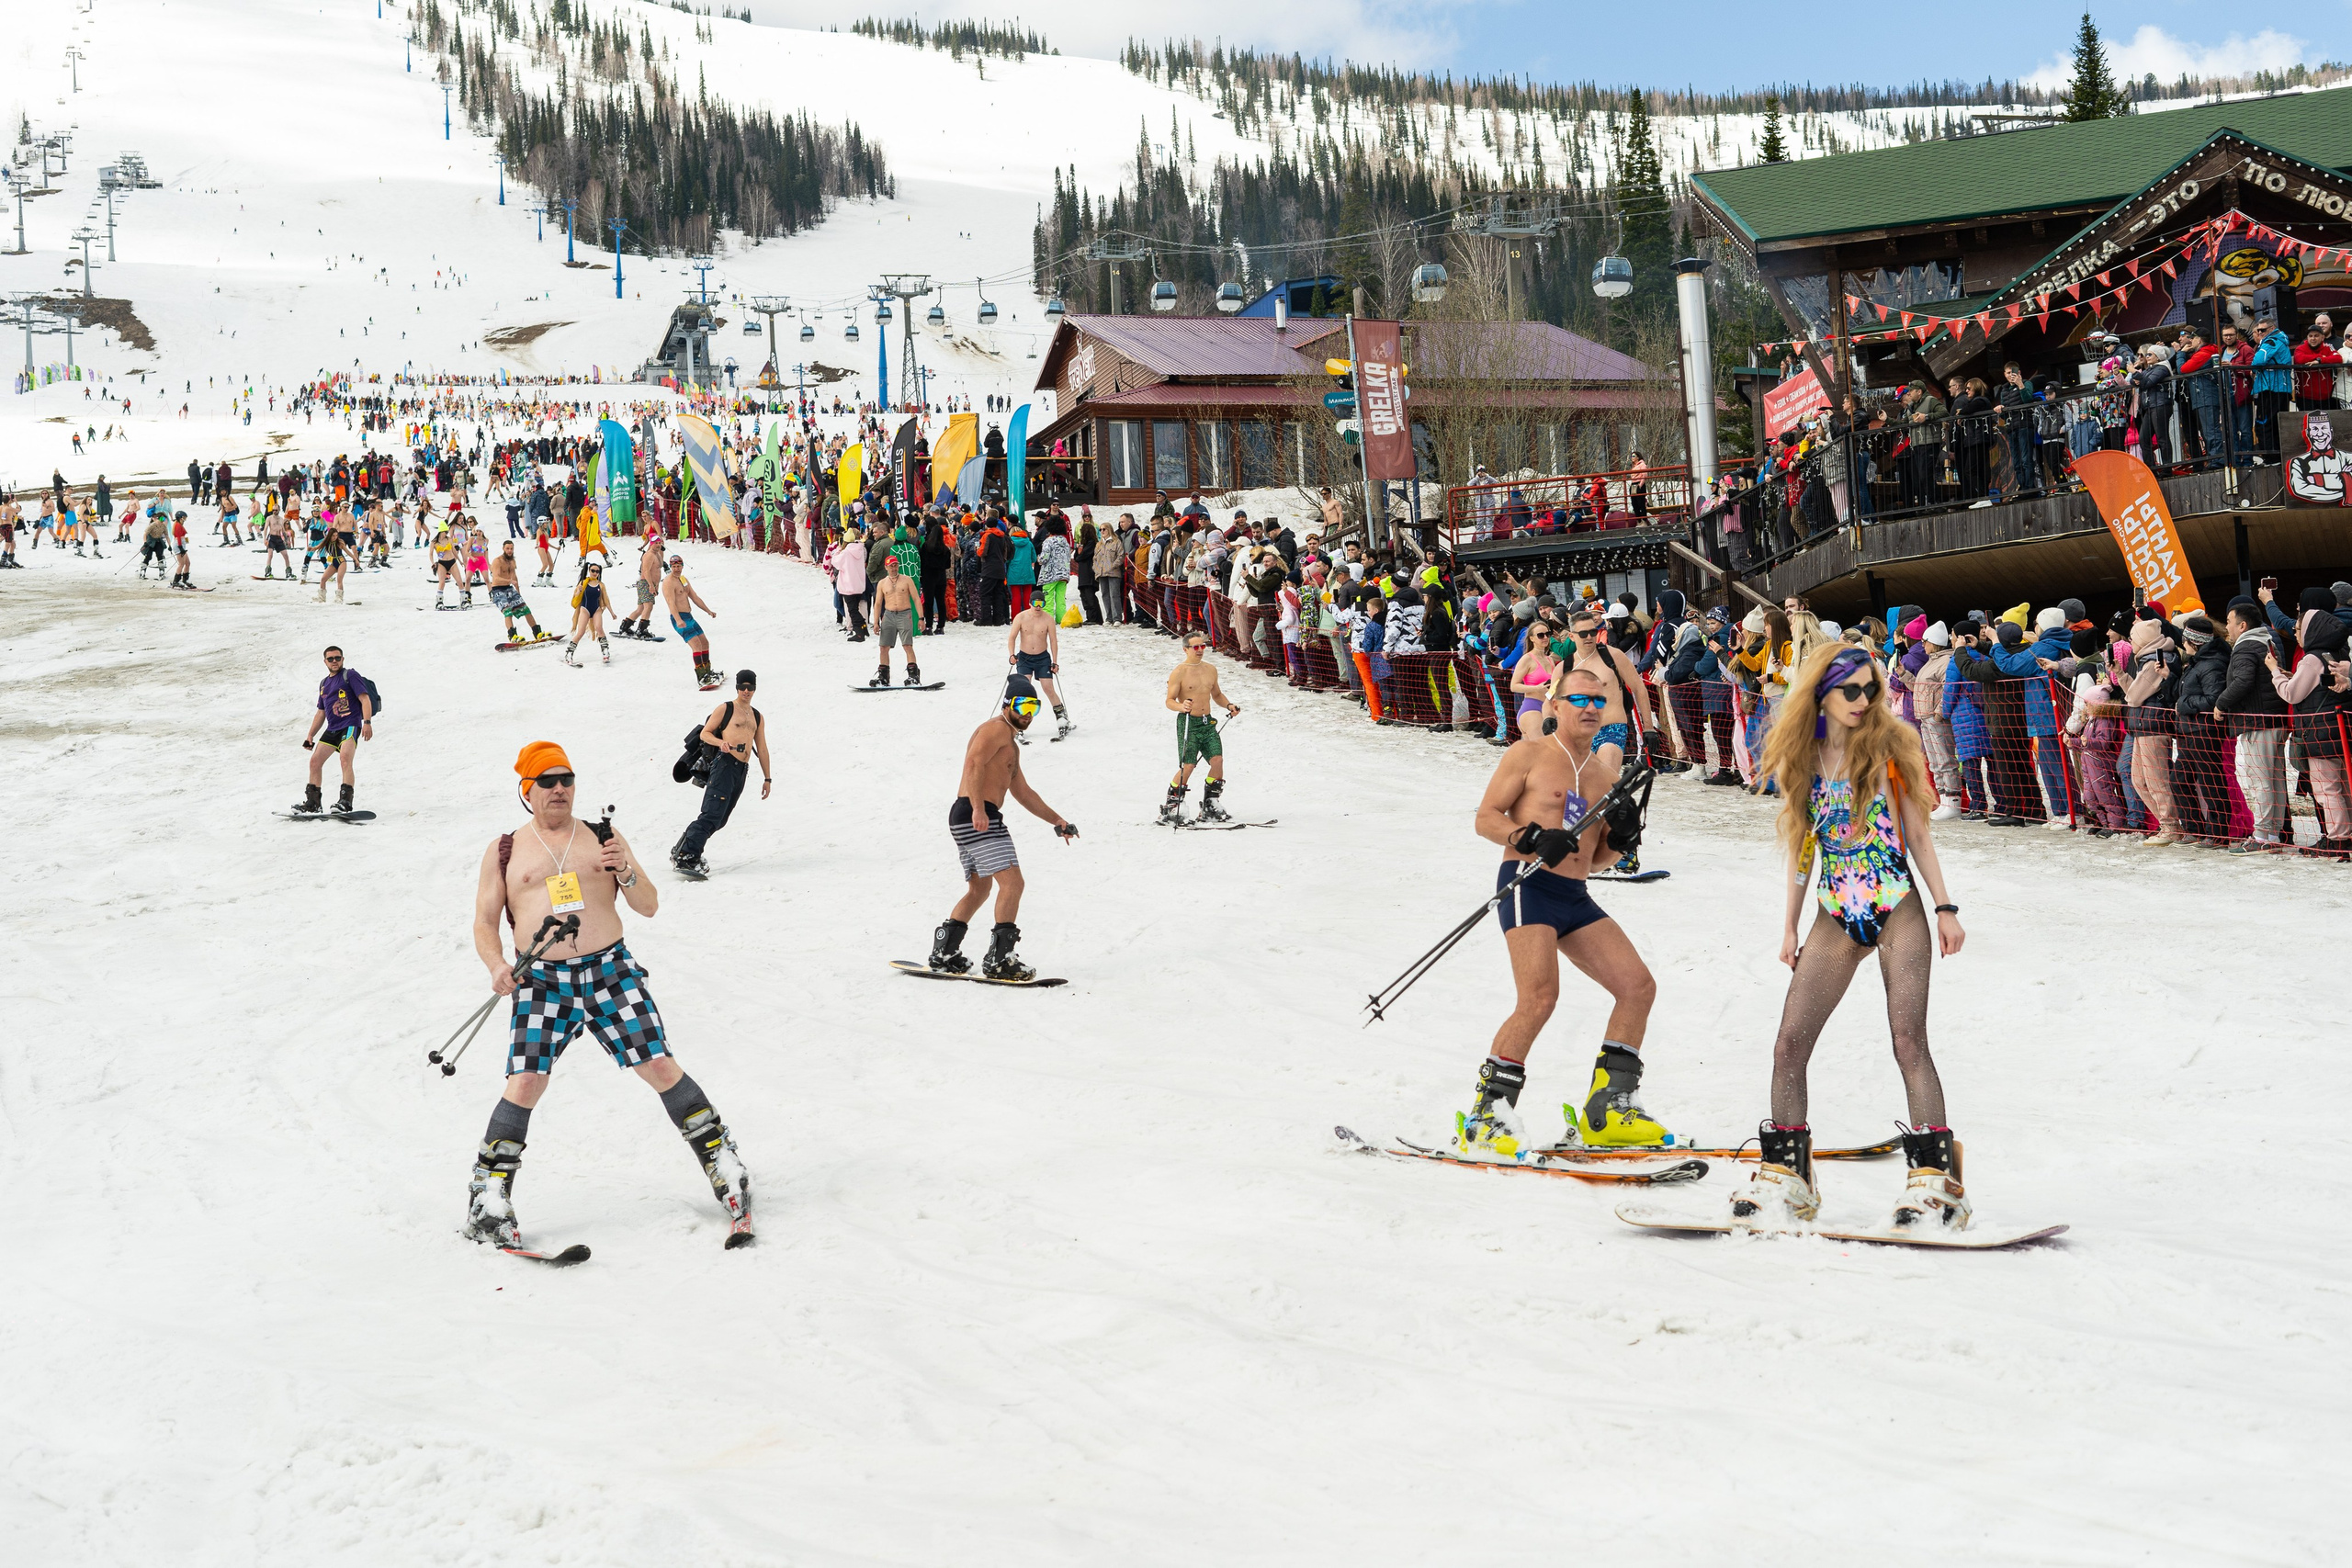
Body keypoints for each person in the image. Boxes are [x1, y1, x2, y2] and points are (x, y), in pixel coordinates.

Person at [468, 742, 752, 1250]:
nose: (560, 789)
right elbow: (485, 922)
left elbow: (648, 905)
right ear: (527, 790)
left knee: (659, 1065)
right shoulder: (505, 849)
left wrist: (625, 871)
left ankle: (724, 1165)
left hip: (609, 971)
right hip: (543, 980)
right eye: (548, 781)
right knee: (526, 1081)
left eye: (567, 779)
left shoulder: (603, 836)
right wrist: (496, 965)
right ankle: (489, 1199)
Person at [1731, 645, 1969, 1232]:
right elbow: (1802, 845)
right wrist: (1789, 922)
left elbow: (1916, 833)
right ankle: (1790, 1178)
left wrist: (1944, 907)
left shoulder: (1888, 747)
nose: (1864, 702)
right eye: (1851, 691)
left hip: (1895, 904)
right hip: (1835, 909)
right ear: (1822, 693)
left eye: (1871, 689)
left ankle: (1939, 1187)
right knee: (1790, 1043)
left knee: (1908, 1039)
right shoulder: (1802, 756)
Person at [1455, 665, 1668, 1161]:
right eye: (1580, 699)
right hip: (1528, 886)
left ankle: (1609, 1108)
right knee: (1538, 998)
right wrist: (1525, 837)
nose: (1591, 708)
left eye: (1599, 700)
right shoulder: (1529, 754)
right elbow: (1486, 817)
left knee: (1637, 987)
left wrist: (1622, 839)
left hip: (1573, 894)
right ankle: (1488, 1117)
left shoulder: (1604, 776)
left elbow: (1596, 860)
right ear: (1555, 704)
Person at [927, 676, 1078, 981]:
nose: (1028, 714)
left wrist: (1058, 821)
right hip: (976, 812)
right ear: (1008, 703)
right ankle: (999, 960)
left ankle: (945, 953)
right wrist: (980, 810)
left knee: (980, 888)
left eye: (1034, 707)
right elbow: (973, 765)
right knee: (1013, 883)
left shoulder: (1010, 744)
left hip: (968, 814)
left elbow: (1023, 793)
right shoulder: (995, 729)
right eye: (1023, 705)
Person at [673, 671, 771, 877]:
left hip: (741, 770)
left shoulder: (757, 716)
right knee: (712, 813)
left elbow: (762, 749)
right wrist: (721, 743)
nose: (746, 691)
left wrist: (767, 778)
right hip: (725, 764)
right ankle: (687, 855)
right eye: (743, 686)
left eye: (750, 687)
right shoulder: (726, 708)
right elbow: (705, 733)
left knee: (721, 818)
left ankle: (682, 848)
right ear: (736, 687)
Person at [1159, 631, 1240, 824]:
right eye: (1195, 647)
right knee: (1189, 764)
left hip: (1207, 722)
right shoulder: (1179, 672)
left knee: (1217, 759)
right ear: (1185, 649)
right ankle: (1173, 805)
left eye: (1202, 646)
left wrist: (1229, 705)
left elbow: (1217, 694)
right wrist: (1182, 706)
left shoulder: (1210, 669)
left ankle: (1211, 804)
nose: (1200, 650)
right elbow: (1169, 701)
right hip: (1189, 723)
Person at [297, 645, 374, 816]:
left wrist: (367, 722)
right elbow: (321, 712)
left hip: (350, 724)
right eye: (330, 659)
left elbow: (365, 699)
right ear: (325, 661)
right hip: (332, 728)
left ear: (342, 659)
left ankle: (345, 802)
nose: (334, 661)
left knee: (345, 758)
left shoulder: (350, 675)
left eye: (337, 658)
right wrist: (310, 735)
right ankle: (313, 803)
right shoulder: (324, 684)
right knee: (315, 762)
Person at [1007, 592, 1070, 737]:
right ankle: (1017, 722)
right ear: (1030, 603)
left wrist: (1055, 661)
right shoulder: (1021, 617)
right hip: (1024, 658)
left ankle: (1062, 719)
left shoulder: (1048, 619)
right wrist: (1011, 655)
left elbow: (1053, 641)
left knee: (1048, 688)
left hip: (1042, 658)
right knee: (1024, 690)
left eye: (1041, 604)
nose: (1038, 606)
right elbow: (1012, 638)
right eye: (1035, 603)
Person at [661, 556, 721, 690]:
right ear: (671, 567)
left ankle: (707, 671)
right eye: (674, 567)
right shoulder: (668, 582)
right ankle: (701, 677)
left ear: (682, 566)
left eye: (678, 566)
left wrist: (708, 610)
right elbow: (671, 603)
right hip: (680, 618)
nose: (676, 569)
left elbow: (694, 597)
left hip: (689, 617)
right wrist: (678, 620)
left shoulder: (683, 579)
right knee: (696, 645)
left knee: (705, 642)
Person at [870, 553, 924, 688]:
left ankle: (913, 676)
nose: (894, 568)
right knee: (884, 647)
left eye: (896, 565)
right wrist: (876, 622)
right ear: (886, 567)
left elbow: (917, 599)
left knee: (907, 645)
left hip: (904, 614)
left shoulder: (907, 580)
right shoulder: (882, 583)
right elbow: (877, 603)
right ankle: (883, 677)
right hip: (888, 615)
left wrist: (921, 618)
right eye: (891, 566)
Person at [488, 540, 548, 644]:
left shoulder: (512, 561)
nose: (509, 551)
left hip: (509, 588)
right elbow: (496, 578)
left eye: (511, 548)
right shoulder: (497, 561)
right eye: (507, 548)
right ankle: (513, 636)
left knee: (525, 609)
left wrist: (518, 593)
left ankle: (537, 632)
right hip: (498, 590)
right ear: (503, 549)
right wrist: (509, 581)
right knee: (508, 612)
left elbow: (514, 577)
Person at [563, 562, 613, 668]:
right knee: (580, 632)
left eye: (597, 571)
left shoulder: (601, 585)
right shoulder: (583, 583)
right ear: (589, 571)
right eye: (593, 571)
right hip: (585, 609)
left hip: (596, 609)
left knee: (599, 628)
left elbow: (606, 599)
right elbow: (575, 599)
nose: (595, 573)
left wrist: (612, 612)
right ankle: (569, 653)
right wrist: (578, 591)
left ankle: (605, 651)